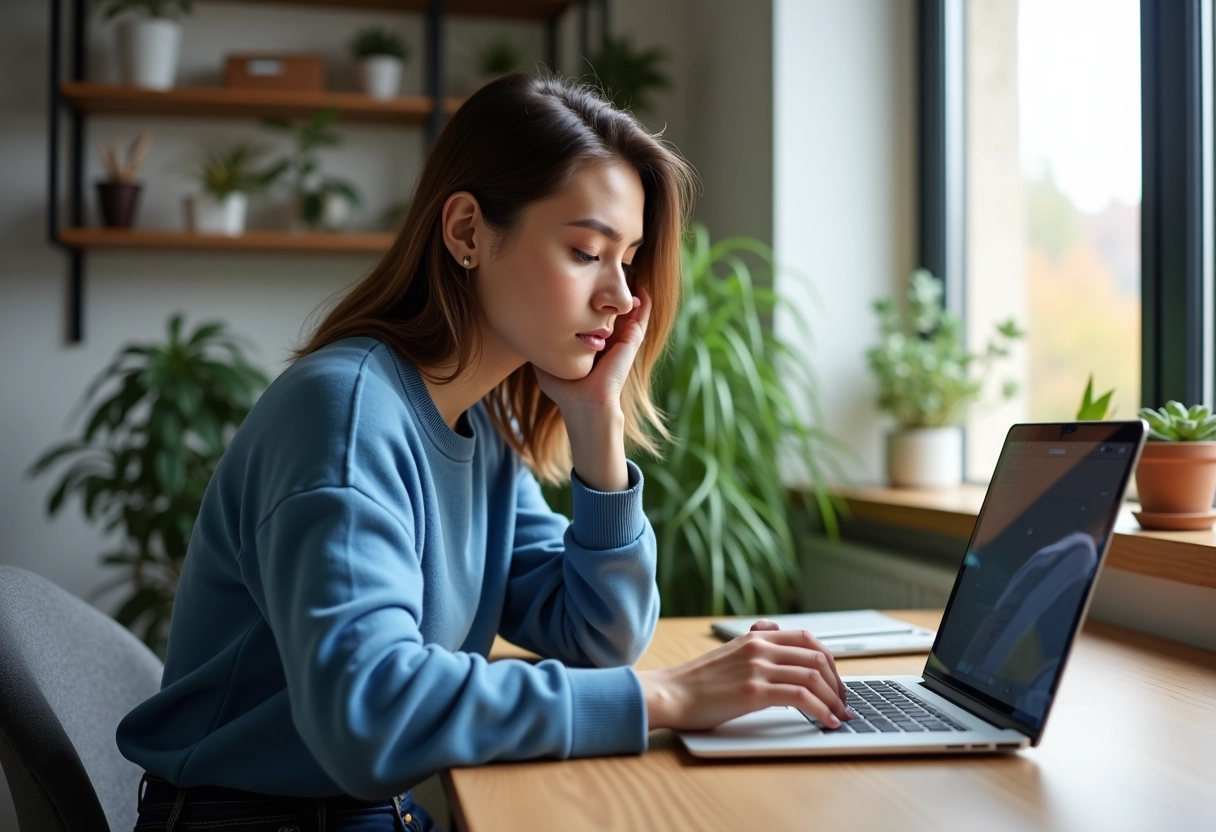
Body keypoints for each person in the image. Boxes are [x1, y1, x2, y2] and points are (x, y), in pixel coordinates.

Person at [118, 73, 851, 832]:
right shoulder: (345, 417)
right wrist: (670, 697)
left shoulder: (479, 430)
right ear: (467, 231)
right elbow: (371, 716)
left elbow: (599, 637)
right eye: (585, 251)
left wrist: (596, 427)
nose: (623, 297)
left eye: (628, 259)